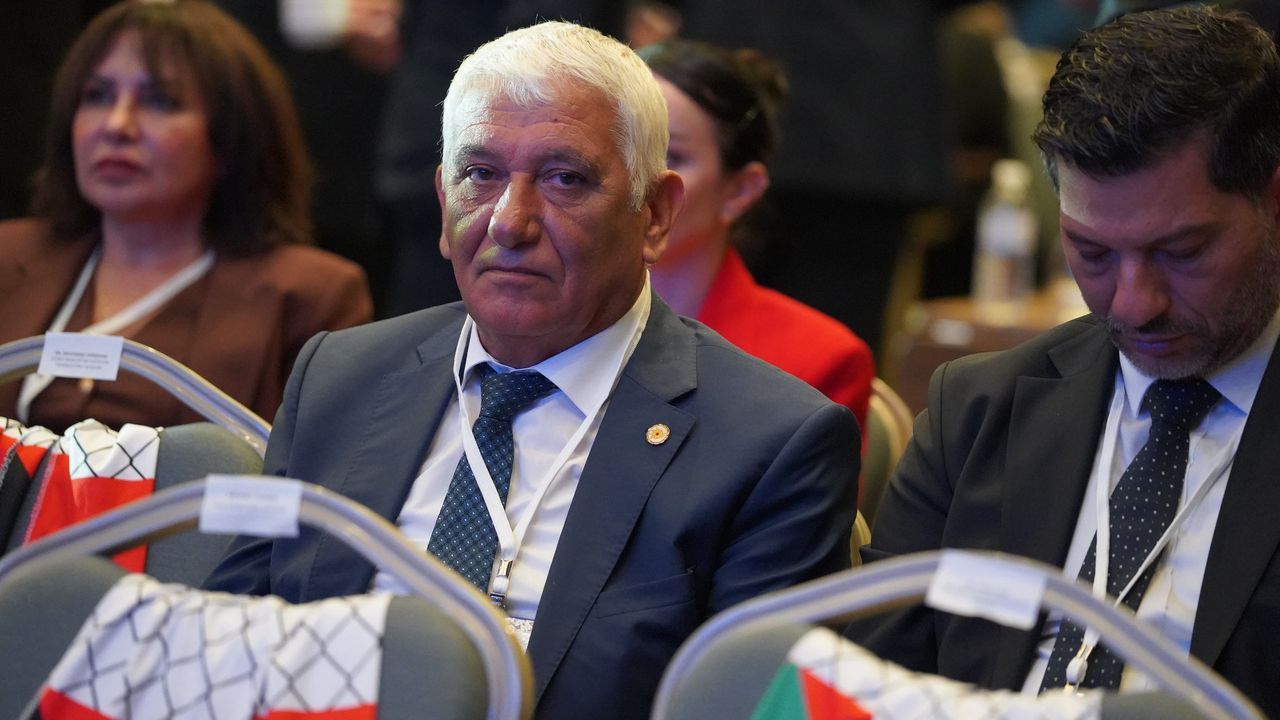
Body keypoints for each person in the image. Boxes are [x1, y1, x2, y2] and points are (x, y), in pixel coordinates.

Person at [204, 20, 860, 720]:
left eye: (564, 179)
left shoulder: (768, 443)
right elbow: (222, 653)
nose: (509, 223)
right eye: (481, 175)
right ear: (443, 201)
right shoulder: (340, 378)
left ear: (654, 215)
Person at [852, 7, 1280, 716]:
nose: (1135, 304)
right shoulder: (976, 411)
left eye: (1181, 252)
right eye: (1093, 253)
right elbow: (865, 683)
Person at [0, 0, 373, 433]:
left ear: (230, 140)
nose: (116, 125)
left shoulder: (312, 297)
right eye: (97, 96)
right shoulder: (8, 256)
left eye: (160, 102)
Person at [641, 39, 875, 430]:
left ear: (740, 191)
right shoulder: (541, 325)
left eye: (671, 156)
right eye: (618, 147)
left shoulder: (815, 360)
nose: (633, 177)